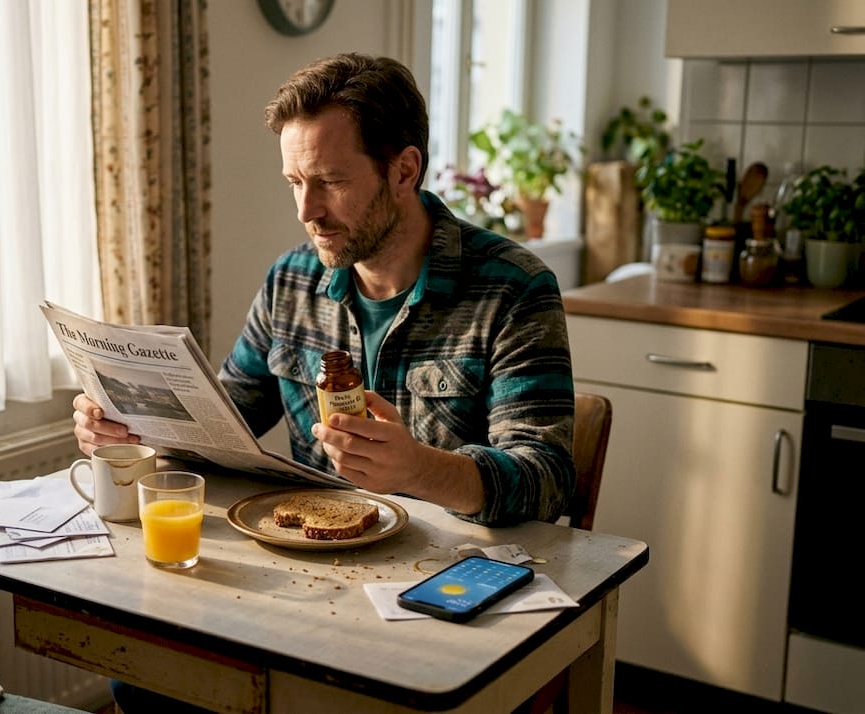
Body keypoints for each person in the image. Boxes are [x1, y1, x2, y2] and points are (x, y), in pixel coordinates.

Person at [75, 51, 576, 713]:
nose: (306, 210)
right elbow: (224, 421)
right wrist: (132, 425)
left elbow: (546, 480)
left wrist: (421, 469)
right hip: (307, 587)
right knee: (144, 681)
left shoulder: (514, 288)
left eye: (330, 181)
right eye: (294, 181)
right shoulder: (291, 280)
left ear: (404, 170)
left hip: (439, 600)